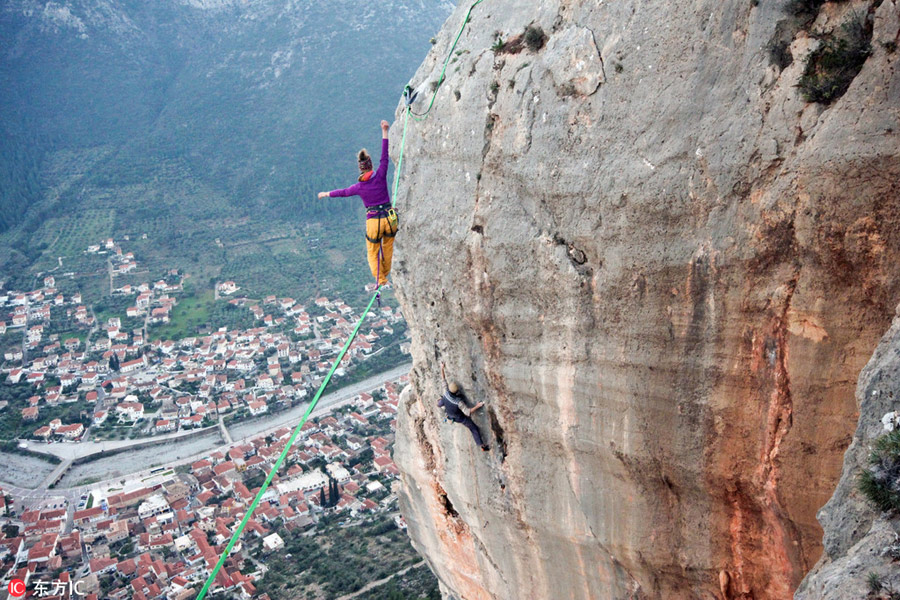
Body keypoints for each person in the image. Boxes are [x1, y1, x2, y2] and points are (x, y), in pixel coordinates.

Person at [318, 120, 398, 287]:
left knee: (373, 252)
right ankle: (385, 274)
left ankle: (381, 279)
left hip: (374, 222)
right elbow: (385, 158)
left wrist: (326, 193)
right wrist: (385, 131)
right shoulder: (381, 175)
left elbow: (344, 192)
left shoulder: (359, 187)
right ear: (371, 166)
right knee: (388, 246)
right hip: (390, 219)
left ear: (360, 169)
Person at [438, 362, 490, 451]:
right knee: (474, 428)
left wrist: (442, 368)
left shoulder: (446, 392)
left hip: (449, 413)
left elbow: (443, 380)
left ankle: (439, 403)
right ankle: (482, 445)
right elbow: (468, 412)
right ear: (456, 392)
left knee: (441, 402)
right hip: (459, 417)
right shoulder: (458, 402)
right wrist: (478, 405)